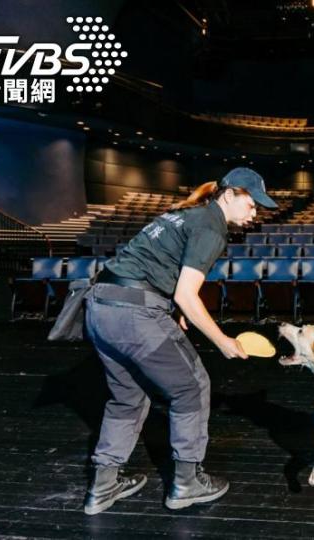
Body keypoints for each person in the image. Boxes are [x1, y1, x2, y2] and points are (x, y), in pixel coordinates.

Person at [82, 167, 277, 515]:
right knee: (193, 387)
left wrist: (172, 305)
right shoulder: (211, 226)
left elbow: (153, 267)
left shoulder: (183, 214)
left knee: (127, 398)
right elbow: (188, 294)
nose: (254, 213)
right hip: (136, 315)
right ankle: (187, 483)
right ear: (229, 195)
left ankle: (103, 485)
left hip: (100, 308)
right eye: (251, 204)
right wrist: (223, 341)